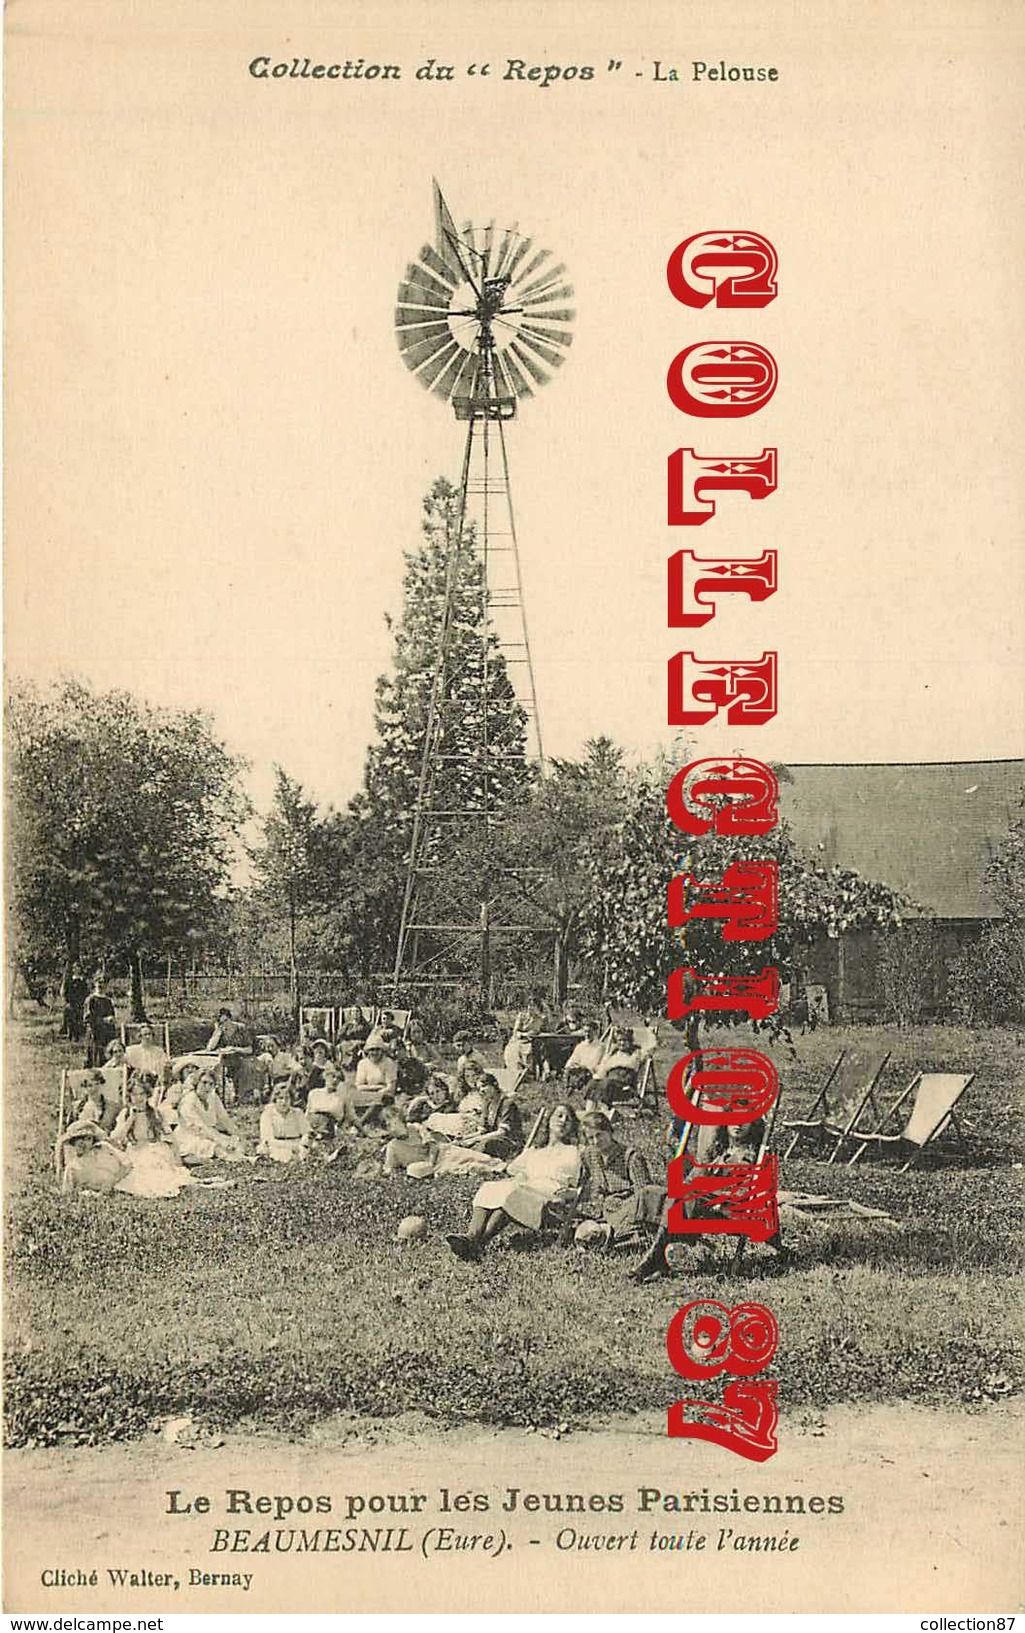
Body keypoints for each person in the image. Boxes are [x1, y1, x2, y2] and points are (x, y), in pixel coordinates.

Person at [627, 1117, 792, 1282]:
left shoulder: (756, 1155)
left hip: (734, 1209)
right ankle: (661, 1258)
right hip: (704, 1202)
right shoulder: (721, 1150)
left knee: (685, 1196)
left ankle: (654, 1258)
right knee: (650, 1193)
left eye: (745, 1120)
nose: (739, 1124)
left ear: (753, 1125)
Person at [446, 1103, 583, 1262]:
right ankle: (471, 1236)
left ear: (572, 1126)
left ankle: (476, 1243)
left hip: (550, 1198)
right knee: (491, 1187)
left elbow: (579, 1185)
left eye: (568, 1118)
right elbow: (512, 1168)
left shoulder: (574, 1151)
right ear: (549, 1120)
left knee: (513, 1193)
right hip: (525, 1188)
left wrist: (572, 1193)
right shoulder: (535, 1150)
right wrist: (518, 1173)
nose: (563, 1120)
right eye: (559, 1115)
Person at [573, 1110, 655, 1247]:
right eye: (590, 1138)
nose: (596, 1141)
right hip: (604, 1207)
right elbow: (583, 1182)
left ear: (610, 1132)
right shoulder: (588, 1155)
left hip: (628, 1205)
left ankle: (625, 1237)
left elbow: (645, 1192)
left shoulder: (630, 1157)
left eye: (599, 1135)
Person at [110, 1074, 194, 1196]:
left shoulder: (155, 1113)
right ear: (130, 1096)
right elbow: (117, 1137)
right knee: (138, 1173)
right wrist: (131, 1118)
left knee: (158, 1169)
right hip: (135, 1149)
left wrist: (177, 1158)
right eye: (134, 1094)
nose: (138, 1098)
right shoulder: (126, 1114)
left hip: (154, 1147)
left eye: (141, 1094)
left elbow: (169, 1135)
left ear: (147, 1095)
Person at [176, 1068, 248, 1162]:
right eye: (204, 1083)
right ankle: (236, 1160)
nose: (208, 1087)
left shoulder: (213, 1097)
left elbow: (224, 1119)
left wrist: (237, 1134)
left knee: (235, 1143)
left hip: (211, 1133)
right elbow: (200, 1127)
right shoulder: (188, 1101)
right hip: (190, 1136)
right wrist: (220, 1141)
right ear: (197, 1083)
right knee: (215, 1147)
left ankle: (241, 1158)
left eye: (211, 1084)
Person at [56, 1118, 131, 1195]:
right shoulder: (73, 1168)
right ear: (73, 1142)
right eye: (79, 1139)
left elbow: (127, 1163)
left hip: (125, 1186)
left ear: (93, 1141)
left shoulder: (105, 1148)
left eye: (88, 1139)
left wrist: (114, 1181)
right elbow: (68, 1194)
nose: (82, 1143)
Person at [258, 1082, 310, 1163]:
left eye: (287, 1098)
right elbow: (268, 1139)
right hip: (277, 1146)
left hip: (297, 1144)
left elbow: (306, 1132)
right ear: (275, 1100)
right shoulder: (268, 1114)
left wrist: (303, 1145)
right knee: (280, 1155)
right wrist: (292, 1146)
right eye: (280, 1098)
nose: (284, 1102)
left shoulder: (297, 1113)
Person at [124, 1022, 171, 1089]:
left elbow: (165, 1065)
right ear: (140, 1037)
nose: (148, 1037)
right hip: (138, 1082)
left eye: (150, 1034)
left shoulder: (159, 1051)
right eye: (145, 1034)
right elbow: (120, 1060)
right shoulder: (131, 1050)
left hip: (155, 1080)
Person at [83, 976, 117, 1067]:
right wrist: (103, 1020)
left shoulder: (108, 1001)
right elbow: (87, 1019)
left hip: (107, 1035)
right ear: (95, 984)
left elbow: (112, 1016)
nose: (101, 985)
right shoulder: (91, 1000)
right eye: (99, 982)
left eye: (104, 983)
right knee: (96, 1059)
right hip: (95, 1034)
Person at [61, 965, 89, 1043]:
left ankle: (77, 1035)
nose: (77, 969)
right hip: (71, 1003)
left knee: (78, 1018)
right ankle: (69, 1034)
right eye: (75, 968)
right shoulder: (69, 980)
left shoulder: (82, 981)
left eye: (78, 968)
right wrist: (67, 1002)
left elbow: (85, 993)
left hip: (80, 1003)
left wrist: (84, 1003)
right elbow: (66, 993)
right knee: (70, 1017)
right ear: (73, 970)